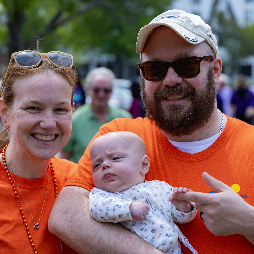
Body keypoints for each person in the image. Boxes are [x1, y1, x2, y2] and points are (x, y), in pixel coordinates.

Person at [49, 9, 254, 254]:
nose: (170, 79)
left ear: (216, 70)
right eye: (154, 68)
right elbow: (66, 217)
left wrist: (248, 223)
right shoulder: (119, 137)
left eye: (187, 65)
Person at [0, 50, 79, 253]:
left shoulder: (79, 182)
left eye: (60, 110)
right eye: (34, 108)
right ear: (5, 113)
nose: (48, 123)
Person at [89, 131, 197, 253]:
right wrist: (128, 209)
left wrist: (183, 206)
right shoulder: (102, 195)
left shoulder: (160, 188)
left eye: (115, 158)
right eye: (96, 165)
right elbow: (97, 209)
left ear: (144, 164)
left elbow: (181, 219)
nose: (105, 165)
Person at [59, 67, 132, 163]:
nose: (101, 94)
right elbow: (64, 159)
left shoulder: (125, 118)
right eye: (96, 89)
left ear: (112, 91)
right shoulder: (74, 120)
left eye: (106, 90)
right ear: (88, 90)